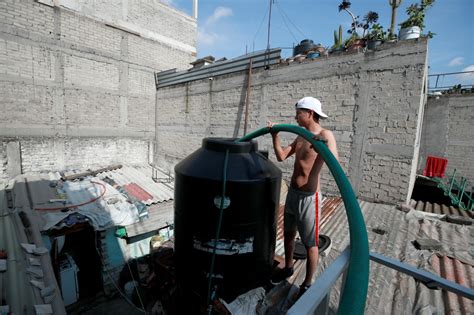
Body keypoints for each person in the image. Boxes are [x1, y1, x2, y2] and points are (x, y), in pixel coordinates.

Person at [268, 96, 339, 298]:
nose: (296, 117)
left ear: (309, 113)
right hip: (293, 194)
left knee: (310, 243)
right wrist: (275, 136)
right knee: (289, 235)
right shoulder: (300, 136)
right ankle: (289, 267)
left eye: (298, 113)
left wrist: (322, 147)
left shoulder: (325, 134)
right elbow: (281, 156)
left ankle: (308, 283)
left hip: (310, 198)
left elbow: (335, 162)